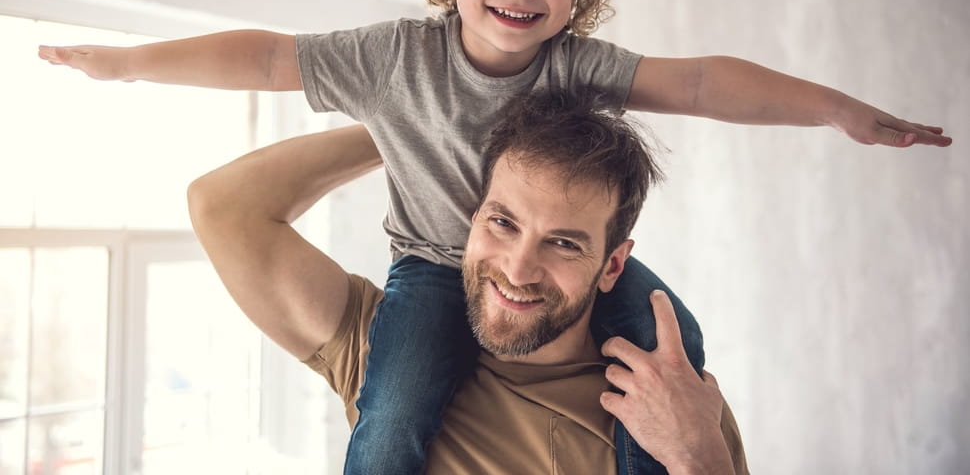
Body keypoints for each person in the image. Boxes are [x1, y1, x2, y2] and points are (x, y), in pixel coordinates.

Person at [38, 0, 950, 475]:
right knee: (393, 415)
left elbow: (705, 83)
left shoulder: (574, 68)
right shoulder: (393, 60)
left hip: (617, 344)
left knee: (684, 344)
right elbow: (270, 57)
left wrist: (836, 109)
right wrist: (131, 62)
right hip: (434, 277)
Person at [187, 90, 749, 475]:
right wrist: (415, 125)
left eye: (563, 242)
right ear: (472, 218)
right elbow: (223, 208)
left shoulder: (676, 406)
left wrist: (699, 458)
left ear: (612, 266)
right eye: (503, 222)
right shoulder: (384, 353)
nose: (517, 268)